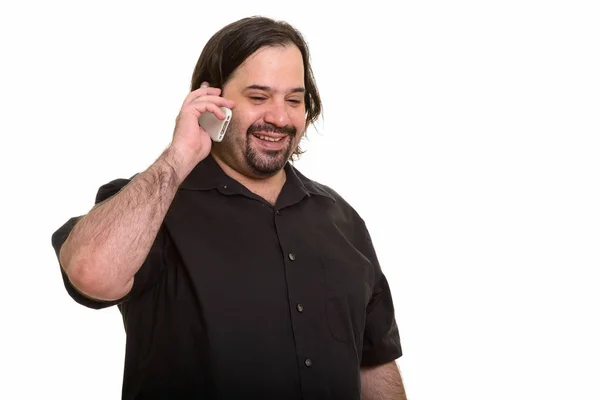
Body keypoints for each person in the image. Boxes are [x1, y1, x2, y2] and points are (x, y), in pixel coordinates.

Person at [51, 15, 407, 400]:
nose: (280, 117)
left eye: (294, 99)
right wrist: (179, 156)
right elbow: (90, 273)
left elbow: (375, 362)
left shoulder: (343, 220)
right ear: (211, 100)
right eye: (258, 97)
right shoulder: (153, 207)